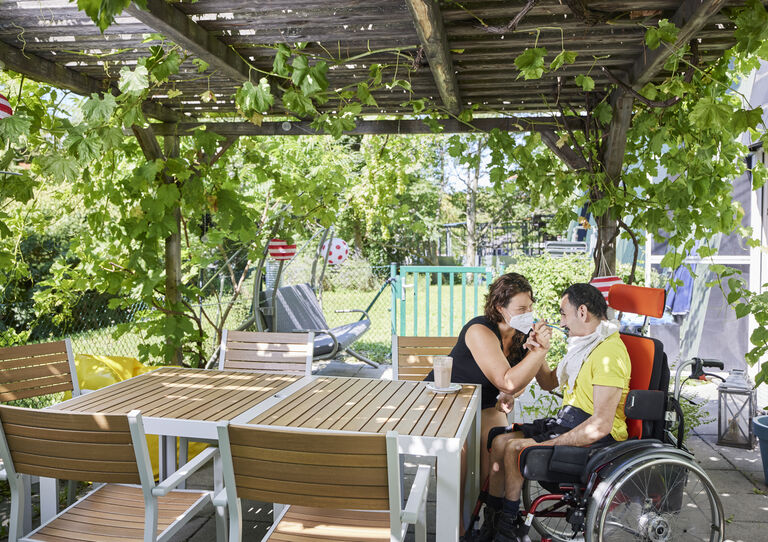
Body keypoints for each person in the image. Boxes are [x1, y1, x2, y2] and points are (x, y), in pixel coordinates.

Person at [478, 283, 631, 542]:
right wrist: (538, 352)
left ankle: (507, 529)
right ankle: (492, 523)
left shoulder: (609, 353)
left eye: (563, 314)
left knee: (516, 449)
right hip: (570, 421)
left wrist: (547, 443)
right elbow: (549, 382)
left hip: (598, 439)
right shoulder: (583, 347)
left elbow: (601, 424)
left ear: (582, 312)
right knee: (500, 441)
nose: (561, 322)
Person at [423, 272, 556, 536]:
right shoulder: (479, 330)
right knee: (457, 454)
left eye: (530, 307)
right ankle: (458, 529)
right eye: (521, 309)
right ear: (499, 307)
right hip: (447, 399)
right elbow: (507, 381)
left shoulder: (523, 334)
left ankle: (489, 521)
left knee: (497, 449)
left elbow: (548, 382)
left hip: (484, 404)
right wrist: (533, 358)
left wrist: (575, 354)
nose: (528, 314)